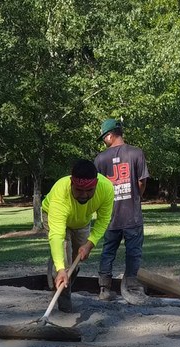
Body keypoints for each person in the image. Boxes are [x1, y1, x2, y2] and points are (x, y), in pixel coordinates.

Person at [42, 159, 115, 312]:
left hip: (81, 222)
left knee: (77, 259)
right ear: (71, 183)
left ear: (96, 184)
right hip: (54, 217)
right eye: (79, 190)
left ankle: (61, 271)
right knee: (65, 261)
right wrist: (62, 269)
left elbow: (103, 220)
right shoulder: (60, 193)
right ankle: (64, 301)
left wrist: (90, 244)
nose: (84, 195)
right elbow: (57, 235)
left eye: (89, 191)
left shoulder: (106, 188)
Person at [94, 118, 150, 302]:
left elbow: (96, 189)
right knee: (133, 252)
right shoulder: (136, 153)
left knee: (108, 251)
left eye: (104, 137)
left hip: (110, 216)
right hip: (132, 214)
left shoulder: (100, 159)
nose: (104, 140)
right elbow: (141, 182)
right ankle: (131, 288)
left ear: (110, 135)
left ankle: (104, 289)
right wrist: (135, 196)